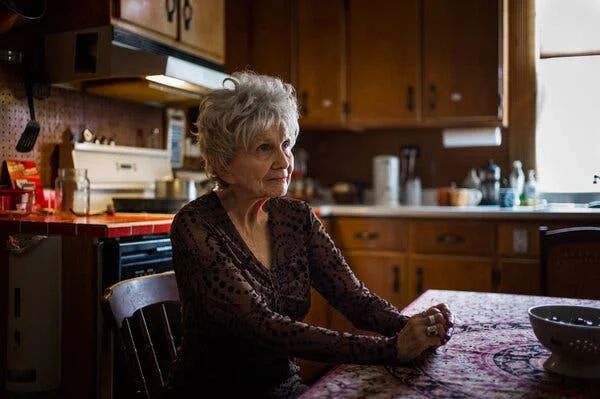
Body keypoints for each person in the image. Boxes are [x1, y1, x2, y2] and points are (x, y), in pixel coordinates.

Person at [167, 71, 454, 398]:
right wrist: (390, 350)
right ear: (224, 164)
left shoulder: (295, 218)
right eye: (264, 148)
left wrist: (411, 328)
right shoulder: (196, 225)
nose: (285, 161)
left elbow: (353, 298)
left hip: (285, 389)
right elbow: (265, 328)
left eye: (286, 144)